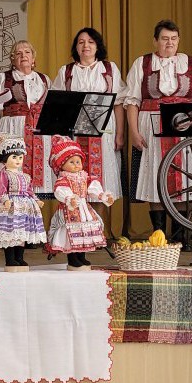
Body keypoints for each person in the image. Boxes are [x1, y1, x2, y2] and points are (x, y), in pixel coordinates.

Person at [120, 20, 192, 248]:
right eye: (165, 39)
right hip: (151, 125)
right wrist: (134, 132)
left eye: (174, 39)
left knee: (183, 178)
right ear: (155, 41)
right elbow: (132, 101)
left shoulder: (190, 64)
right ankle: (159, 235)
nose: (170, 43)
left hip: (182, 127)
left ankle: (180, 235)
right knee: (154, 176)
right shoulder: (143, 63)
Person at [52, 27, 124, 231]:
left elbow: (118, 103)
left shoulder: (109, 69)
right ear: (76, 47)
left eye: (91, 42)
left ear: (97, 46)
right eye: (81, 42)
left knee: (101, 179)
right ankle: (77, 229)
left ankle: (99, 230)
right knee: (75, 179)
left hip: (103, 132)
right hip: (75, 132)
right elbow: (57, 103)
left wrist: (120, 134)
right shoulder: (66, 72)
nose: (86, 46)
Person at [0, 40, 54, 197]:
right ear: (12, 59)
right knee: (12, 177)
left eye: (27, 52)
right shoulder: (3, 78)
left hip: (38, 133)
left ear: (33, 58)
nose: (23, 55)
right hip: (12, 130)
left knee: (37, 182)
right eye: (18, 53)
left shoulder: (44, 80)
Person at [0, 132, 47, 269]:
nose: (18, 160)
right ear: (5, 159)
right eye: (14, 157)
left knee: (21, 233)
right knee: (10, 233)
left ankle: (19, 258)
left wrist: (36, 200)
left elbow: (29, 190)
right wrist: (6, 200)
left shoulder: (25, 176)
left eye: (20, 157)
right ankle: (10, 259)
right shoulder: (4, 174)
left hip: (24, 207)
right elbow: (1, 189)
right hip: (10, 206)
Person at [44, 136, 114, 269]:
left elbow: (92, 188)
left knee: (84, 232)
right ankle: (73, 259)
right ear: (62, 165)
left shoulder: (84, 177)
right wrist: (69, 198)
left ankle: (82, 256)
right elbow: (60, 191)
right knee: (71, 234)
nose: (76, 164)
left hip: (84, 209)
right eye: (72, 162)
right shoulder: (63, 179)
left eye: (78, 161)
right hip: (70, 210)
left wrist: (102, 196)